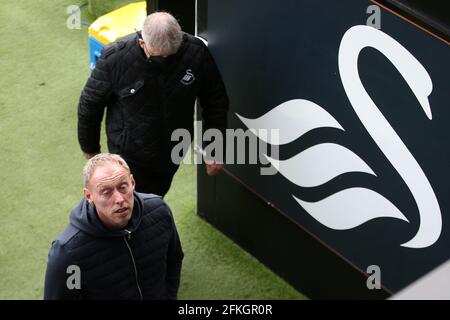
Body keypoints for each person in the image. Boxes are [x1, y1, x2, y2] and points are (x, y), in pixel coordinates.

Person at [77, 12, 229, 197]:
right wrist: (91, 150)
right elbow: (90, 105)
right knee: (129, 208)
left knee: (155, 200)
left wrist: (214, 149)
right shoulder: (115, 59)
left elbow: (215, 101)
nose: (165, 62)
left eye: (172, 55)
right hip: (128, 157)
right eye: (159, 57)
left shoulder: (196, 52)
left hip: (172, 152)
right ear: (142, 42)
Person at [44, 153, 183, 300]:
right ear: (89, 196)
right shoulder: (68, 252)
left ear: (132, 183)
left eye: (123, 187)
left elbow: (174, 258)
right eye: (106, 192)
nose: (119, 199)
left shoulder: (159, 211)